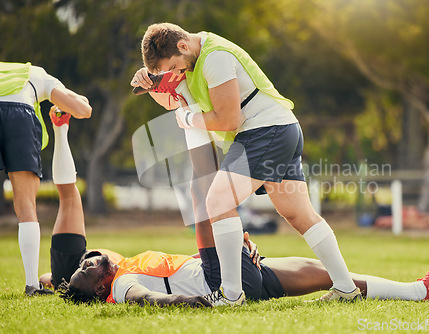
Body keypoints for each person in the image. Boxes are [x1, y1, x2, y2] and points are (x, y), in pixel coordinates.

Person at [45, 110, 429, 306]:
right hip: (217, 281)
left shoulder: (120, 268)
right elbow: (143, 298)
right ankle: (186, 107)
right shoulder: (120, 285)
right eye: (87, 268)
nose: (89, 258)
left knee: (328, 275)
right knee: (200, 193)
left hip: (232, 271)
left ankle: (421, 291)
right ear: (101, 286)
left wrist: (46, 282)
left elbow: (55, 281)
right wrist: (189, 303)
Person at [132, 22, 361, 305]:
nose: (176, 73)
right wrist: (150, 80)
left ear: (182, 46)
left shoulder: (215, 57)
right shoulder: (190, 60)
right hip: (280, 127)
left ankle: (230, 295)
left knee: (216, 201)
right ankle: (346, 288)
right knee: (299, 214)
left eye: (175, 67)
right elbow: (171, 101)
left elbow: (230, 120)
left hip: (266, 130)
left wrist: (189, 119)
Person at [0, 60, 92, 296]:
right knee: (26, 206)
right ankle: (31, 285)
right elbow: (83, 110)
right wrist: (74, 102)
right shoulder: (38, 74)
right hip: (19, 114)